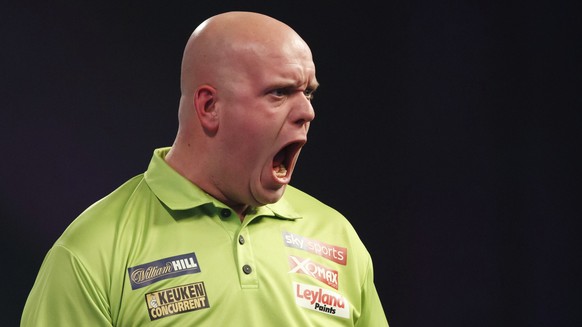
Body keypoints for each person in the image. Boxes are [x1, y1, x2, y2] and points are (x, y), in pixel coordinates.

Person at [21, 11, 389, 326]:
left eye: (307, 93)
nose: (307, 112)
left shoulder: (337, 238)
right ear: (210, 106)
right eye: (279, 93)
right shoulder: (92, 252)